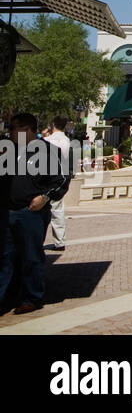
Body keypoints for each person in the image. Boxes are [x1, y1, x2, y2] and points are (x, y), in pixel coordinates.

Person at [0, 113, 72, 315]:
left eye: (14, 128)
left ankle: (32, 297)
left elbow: (61, 180)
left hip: (31, 213)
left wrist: (44, 198)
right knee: (6, 256)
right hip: (8, 211)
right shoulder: (7, 150)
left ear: (27, 130)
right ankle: (5, 296)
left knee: (31, 256)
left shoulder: (47, 151)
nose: (10, 132)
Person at [44, 115, 71, 251]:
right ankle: (60, 242)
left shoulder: (46, 140)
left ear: (53, 125)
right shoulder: (67, 141)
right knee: (58, 210)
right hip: (61, 179)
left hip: (45, 179)